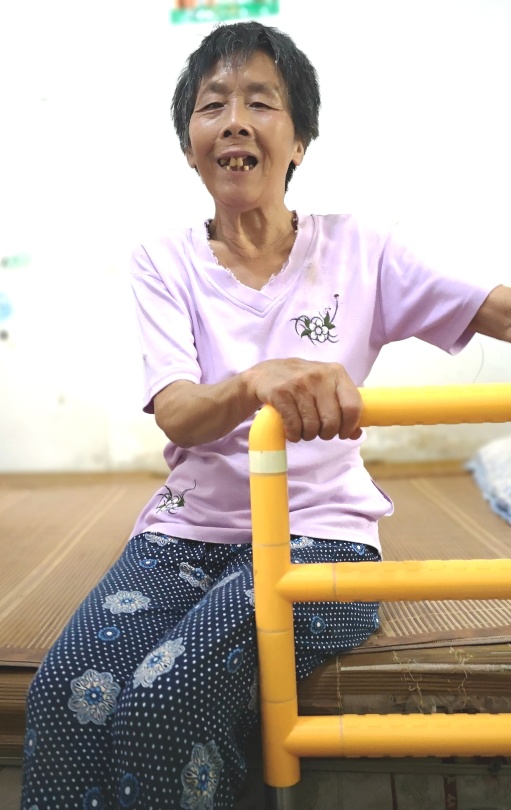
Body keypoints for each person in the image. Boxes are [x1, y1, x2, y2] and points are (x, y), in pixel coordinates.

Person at [21, 20, 510, 810]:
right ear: (190, 146)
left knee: (163, 695)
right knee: (64, 690)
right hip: (186, 532)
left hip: (320, 534)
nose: (235, 121)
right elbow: (179, 412)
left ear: (299, 141)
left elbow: (495, 310)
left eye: (260, 101)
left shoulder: (362, 250)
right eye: (212, 105)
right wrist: (255, 382)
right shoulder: (164, 262)